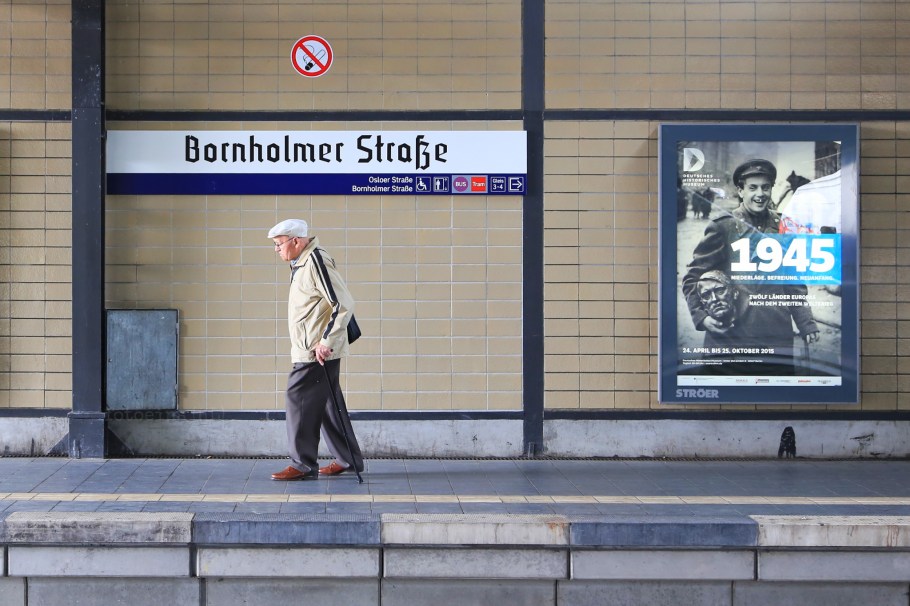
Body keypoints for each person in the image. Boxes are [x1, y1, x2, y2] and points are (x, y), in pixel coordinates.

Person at [681, 159, 820, 375]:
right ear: (740, 190)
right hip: (730, 338)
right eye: (752, 187)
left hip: (776, 336)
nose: (760, 194)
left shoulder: (784, 226)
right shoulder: (723, 227)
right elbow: (693, 277)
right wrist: (702, 317)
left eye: (765, 187)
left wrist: (806, 322)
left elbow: (794, 282)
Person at [268, 218, 364, 481]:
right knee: (328, 403)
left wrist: (326, 342)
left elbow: (343, 303)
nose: (276, 249)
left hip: (317, 350)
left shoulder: (315, 261)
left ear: (296, 241)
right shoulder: (301, 262)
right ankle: (348, 459)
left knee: (297, 396)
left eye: (279, 244)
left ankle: (302, 464)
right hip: (313, 347)